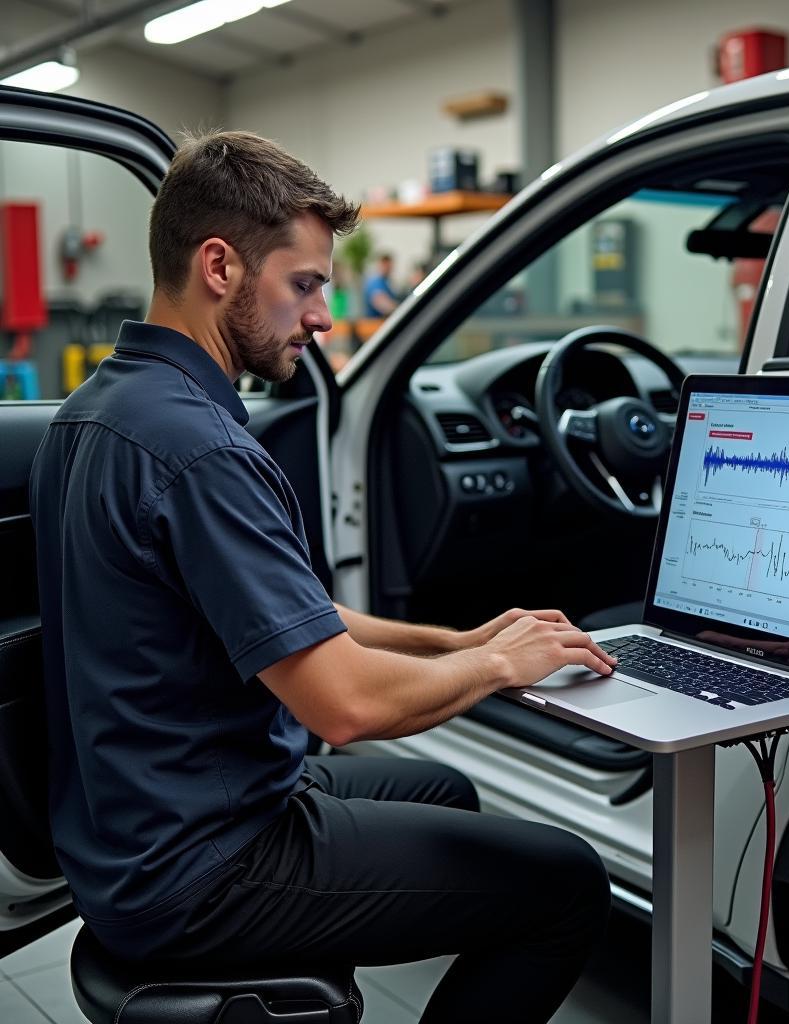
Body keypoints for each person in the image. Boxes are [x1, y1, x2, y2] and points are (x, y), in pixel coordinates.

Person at [28, 130, 615, 1024]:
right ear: (219, 266)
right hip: (205, 864)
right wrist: (503, 667)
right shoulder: (200, 448)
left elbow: (291, 613)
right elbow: (344, 708)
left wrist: (456, 641)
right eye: (303, 285)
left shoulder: (94, 410)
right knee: (569, 884)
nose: (323, 318)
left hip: (136, 826)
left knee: (446, 792)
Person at [363, 251, 399, 317]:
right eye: (387, 265)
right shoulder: (375, 282)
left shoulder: (385, 282)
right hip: (375, 324)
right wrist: (402, 308)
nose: (390, 268)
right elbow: (383, 304)